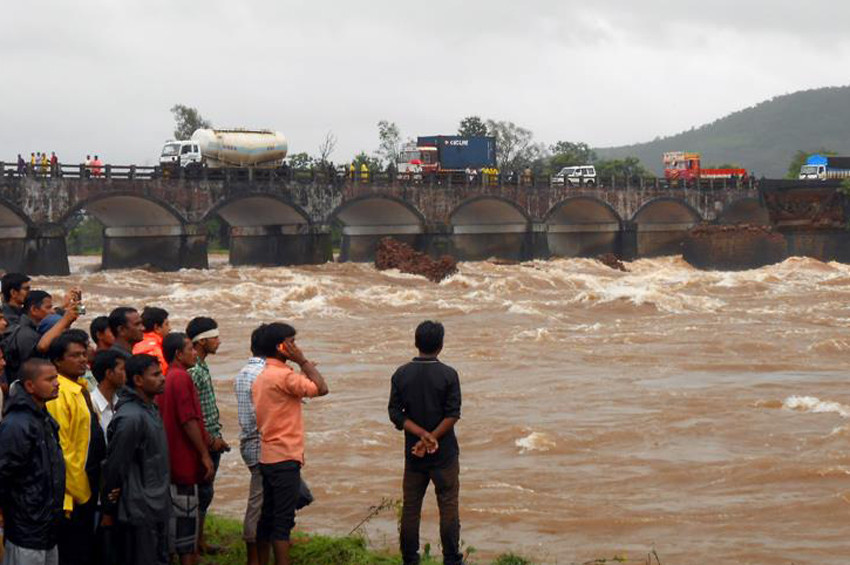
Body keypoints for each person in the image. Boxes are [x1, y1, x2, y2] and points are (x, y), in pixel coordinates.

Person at [388, 321, 463, 565]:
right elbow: (452, 414)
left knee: (411, 509)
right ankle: (451, 559)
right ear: (440, 345)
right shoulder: (449, 374)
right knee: (448, 506)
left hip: (414, 455)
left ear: (416, 343)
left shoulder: (401, 374)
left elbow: (395, 413)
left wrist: (420, 435)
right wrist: (432, 437)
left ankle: (410, 559)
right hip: (445, 455)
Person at [253, 323, 328, 565]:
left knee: (267, 518)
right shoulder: (284, 376)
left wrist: (300, 370)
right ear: (281, 347)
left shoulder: (264, 375)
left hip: (268, 456)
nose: (296, 347)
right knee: (282, 522)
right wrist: (303, 361)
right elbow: (322, 388)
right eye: (292, 342)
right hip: (285, 456)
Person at [101, 354, 170, 565]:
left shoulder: (149, 408)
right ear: (138, 380)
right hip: (138, 509)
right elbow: (115, 467)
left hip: (156, 503)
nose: (162, 378)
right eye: (156, 374)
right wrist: (108, 508)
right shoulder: (131, 418)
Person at [46, 331, 107, 565]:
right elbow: (63, 449)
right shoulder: (59, 394)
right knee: (73, 550)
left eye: (83, 354)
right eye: (75, 356)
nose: (82, 359)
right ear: (58, 361)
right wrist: (83, 493)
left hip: (87, 483)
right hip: (73, 493)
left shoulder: (79, 387)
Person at [0, 359, 65, 565]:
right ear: (29, 386)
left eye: (56, 378)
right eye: (49, 379)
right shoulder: (17, 425)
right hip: (26, 529)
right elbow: (4, 474)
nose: (57, 383)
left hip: (47, 528)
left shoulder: (43, 417)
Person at [157, 332, 213, 564]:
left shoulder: (167, 377)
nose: (194, 354)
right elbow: (188, 420)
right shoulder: (181, 378)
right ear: (178, 354)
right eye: (190, 349)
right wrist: (204, 454)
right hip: (183, 463)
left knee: (173, 523)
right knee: (185, 527)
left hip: (170, 461)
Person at [186, 316, 229, 555]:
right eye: (214, 337)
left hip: (211, 437)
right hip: (204, 441)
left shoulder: (201, 365)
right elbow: (192, 413)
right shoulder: (194, 370)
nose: (218, 341)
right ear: (201, 342)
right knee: (201, 491)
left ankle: (197, 541)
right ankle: (194, 543)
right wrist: (210, 440)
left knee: (205, 491)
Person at [235, 325, 269, 565]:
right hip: (262, 445)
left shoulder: (246, 371)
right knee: (258, 503)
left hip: (252, 442)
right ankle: (253, 557)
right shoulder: (264, 373)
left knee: (268, 499)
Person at [2, 290, 80, 384]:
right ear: (34, 310)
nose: (52, 311)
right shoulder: (26, 335)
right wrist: (65, 319)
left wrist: (76, 304)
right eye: (48, 307)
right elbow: (40, 350)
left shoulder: (33, 326)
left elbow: (64, 314)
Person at [91, 349, 127, 438]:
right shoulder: (91, 404)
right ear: (109, 373)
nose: (126, 374)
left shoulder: (119, 403)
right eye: (122, 369)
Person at [132, 306, 170, 373]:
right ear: (157, 328)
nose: (170, 328)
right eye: (166, 324)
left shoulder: (133, 343)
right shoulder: (156, 351)